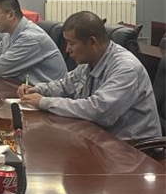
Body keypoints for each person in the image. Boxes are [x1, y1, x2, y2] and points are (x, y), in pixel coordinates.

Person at [18, 11, 160, 141]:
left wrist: (44, 102)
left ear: (92, 42)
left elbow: (98, 110)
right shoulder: (89, 61)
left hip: (134, 149)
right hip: (99, 137)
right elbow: (65, 85)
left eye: (71, 43)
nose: (67, 49)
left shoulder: (126, 68)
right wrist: (39, 89)